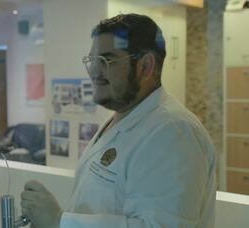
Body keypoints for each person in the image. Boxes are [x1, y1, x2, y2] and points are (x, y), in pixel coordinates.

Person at [20, 13, 216, 228]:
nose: (94, 71)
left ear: (145, 67)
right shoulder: (122, 119)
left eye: (106, 60)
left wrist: (60, 221)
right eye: (92, 60)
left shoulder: (173, 132)